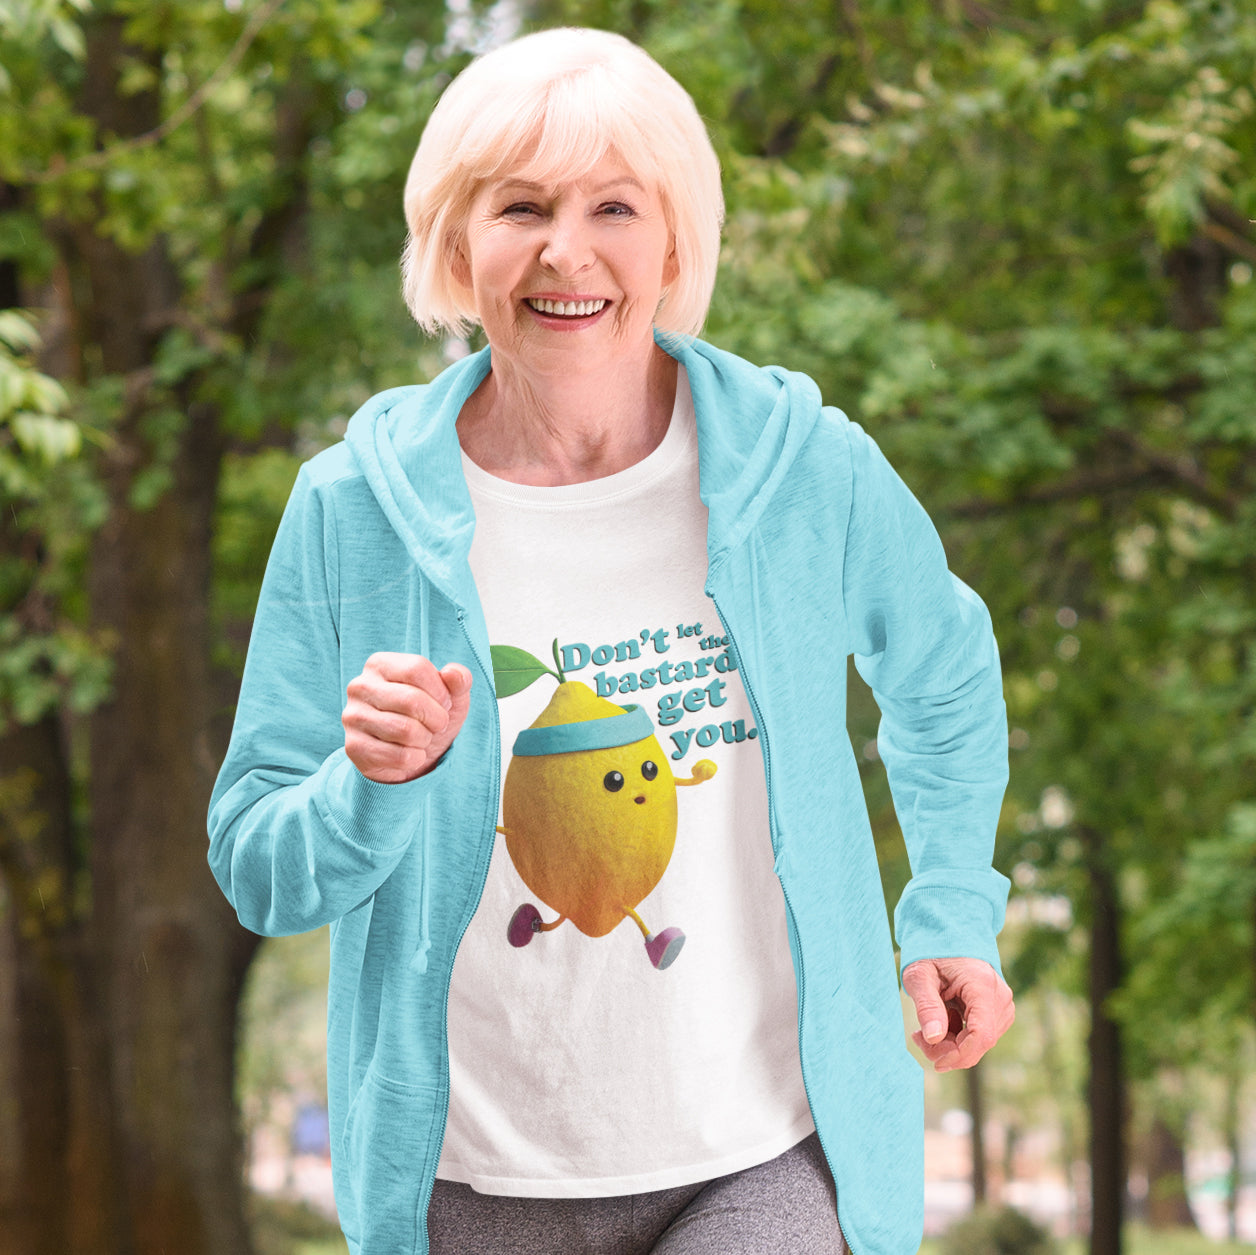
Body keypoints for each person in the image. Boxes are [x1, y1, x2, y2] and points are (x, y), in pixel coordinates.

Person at [208, 26, 1015, 1255]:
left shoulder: (801, 470)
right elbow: (260, 868)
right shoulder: (352, 509)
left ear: (674, 240)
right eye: (519, 207)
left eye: (614, 207)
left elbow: (945, 673)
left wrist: (950, 908)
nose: (564, 251)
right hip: (466, 1183)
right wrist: (367, 787)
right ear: (454, 244)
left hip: (764, 1155)